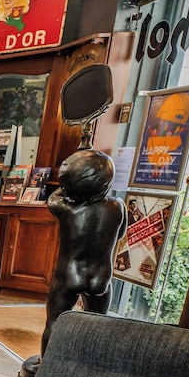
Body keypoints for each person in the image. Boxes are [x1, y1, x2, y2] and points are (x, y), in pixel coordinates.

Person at [42, 149, 127, 355]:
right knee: (96, 325)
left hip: (70, 275)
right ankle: (88, 362)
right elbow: (120, 234)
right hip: (101, 277)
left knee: (54, 323)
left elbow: (52, 197)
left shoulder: (66, 208)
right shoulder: (118, 206)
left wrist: (70, 187)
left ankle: (46, 364)